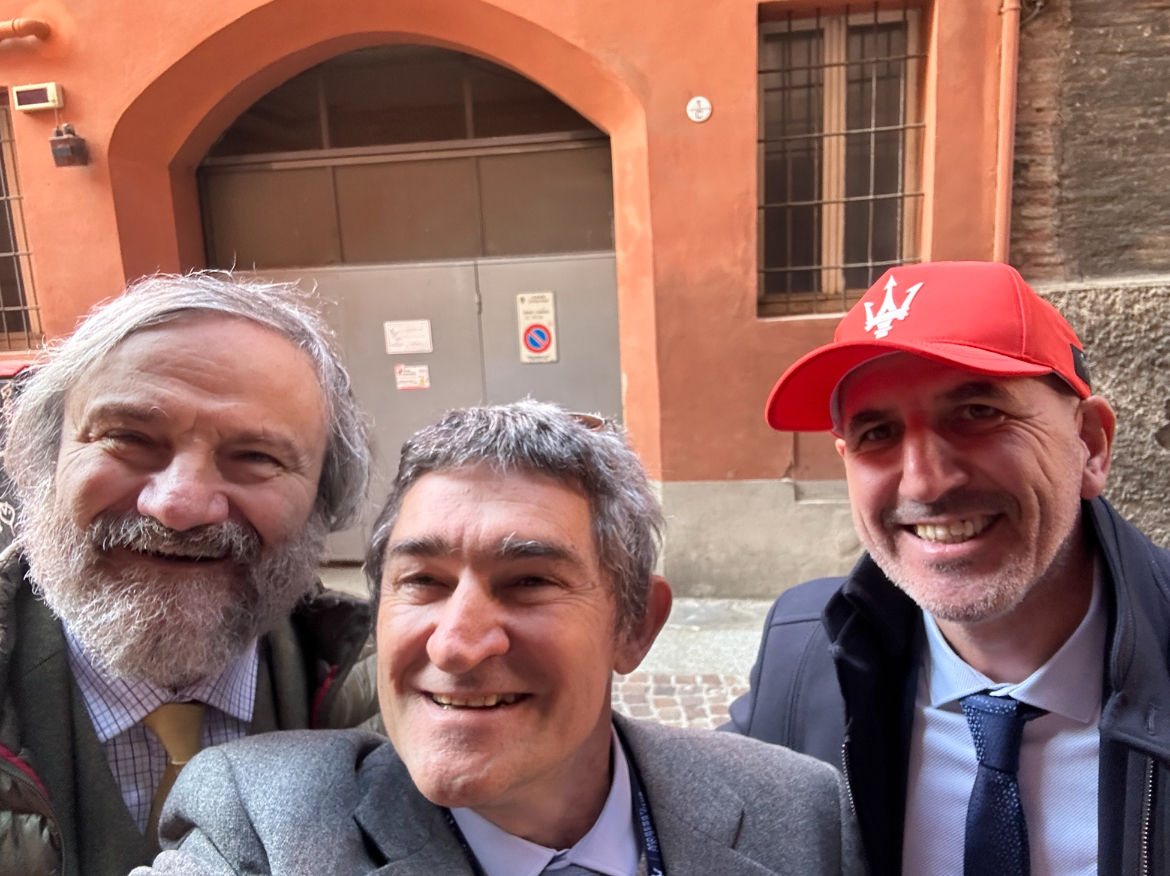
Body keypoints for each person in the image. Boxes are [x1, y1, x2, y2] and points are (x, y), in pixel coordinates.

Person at [133, 401, 864, 876]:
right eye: (423, 581)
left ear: (635, 624)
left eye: (529, 583)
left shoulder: (801, 815)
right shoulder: (261, 826)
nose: (455, 645)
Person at [727, 260, 1170, 876]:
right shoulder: (804, 652)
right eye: (877, 432)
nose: (925, 482)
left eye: (978, 413)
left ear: (1090, 445)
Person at [0, 274, 379, 876]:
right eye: (127, 438)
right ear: (45, 462)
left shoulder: (408, 705)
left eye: (256, 457)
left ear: (322, 501)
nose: (179, 506)